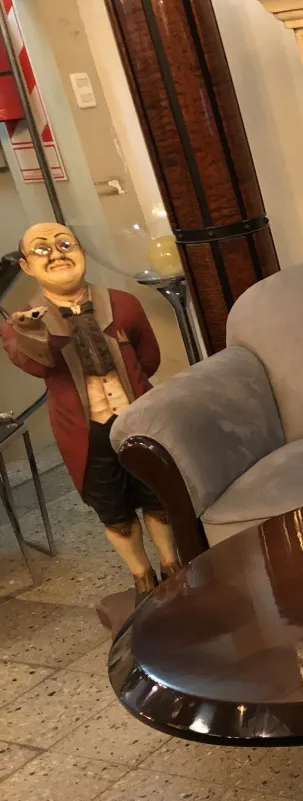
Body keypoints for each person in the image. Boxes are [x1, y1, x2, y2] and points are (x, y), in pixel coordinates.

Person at [1, 221, 177, 594]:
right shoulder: (21, 323)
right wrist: (31, 333)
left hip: (137, 418)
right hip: (86, 430)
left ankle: (172, 566)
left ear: (81, 251)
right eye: (42, 249)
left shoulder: (122, 303)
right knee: (112, 507)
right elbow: (37, 364)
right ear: (27, 266)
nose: (57, 254)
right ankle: (142, 578)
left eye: (65, 244)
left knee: (157, 494)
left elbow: (149, 358)